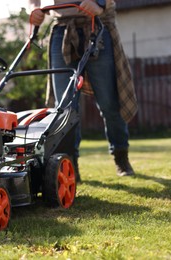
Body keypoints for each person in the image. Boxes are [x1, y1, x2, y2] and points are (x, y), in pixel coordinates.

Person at [28, 0, 138, 180]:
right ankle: (70, 165)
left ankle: (121, 156)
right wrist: (34, 8)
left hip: (96, 26)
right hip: (62, 30)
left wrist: (100, 4)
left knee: (109, 102)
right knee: (65, 108)